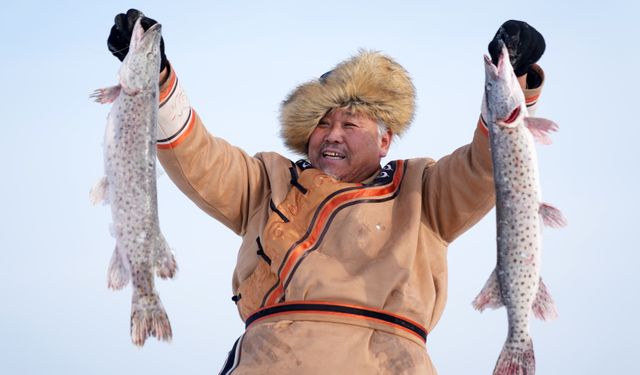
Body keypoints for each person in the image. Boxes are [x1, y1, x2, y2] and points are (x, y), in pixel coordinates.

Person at [107, 10, 547, 374]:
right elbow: (197, 156)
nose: (332, 135)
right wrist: (157, 78)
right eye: (321, 123)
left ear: (384, 140)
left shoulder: (424, 191)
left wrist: (517, 77)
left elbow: (490, 163)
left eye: (350, 124)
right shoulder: (267, 181)